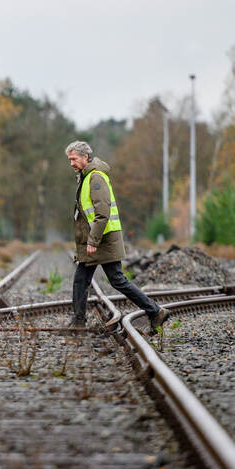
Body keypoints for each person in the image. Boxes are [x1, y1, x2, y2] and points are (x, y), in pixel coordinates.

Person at [66, 140, 170, 332]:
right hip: (100, 239)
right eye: (69, 159)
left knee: (115, 280)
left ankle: (155, 311)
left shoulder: (95, 178)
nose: (71, 163)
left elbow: (102, 212)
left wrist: (93, 241)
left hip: (104, 240)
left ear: (85, 157)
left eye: (74, 159)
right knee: (83, 279)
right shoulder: (86, 177)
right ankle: (79, 321)